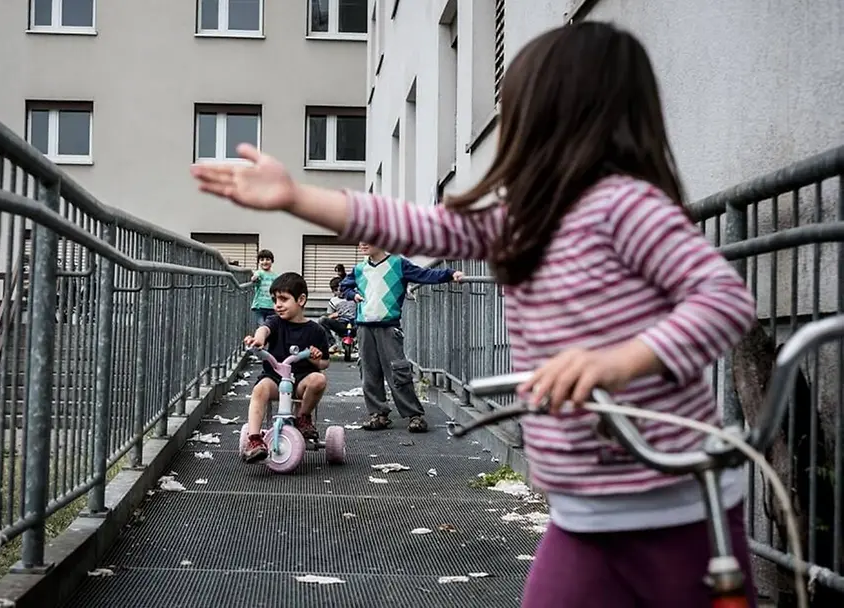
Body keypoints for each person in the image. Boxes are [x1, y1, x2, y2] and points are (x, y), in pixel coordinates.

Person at [192, 21, 759, 606]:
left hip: (673, 502)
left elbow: (725, 300)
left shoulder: (629, 208)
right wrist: (297, 197)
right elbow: (415, 225)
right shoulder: (522, 220)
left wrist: (620, 363)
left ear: (559, 117)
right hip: (581, 509)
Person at [339, 243, 463, 432]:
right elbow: (344, 286)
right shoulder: (359, 268)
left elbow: (425, 275)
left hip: (389, 326)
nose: (362, 243)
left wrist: (449, 274)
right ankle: (378, 413)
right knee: (368, 371)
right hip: (364, 326)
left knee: (398, 371)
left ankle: (414, 414)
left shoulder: (398, 263)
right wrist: (352, 295)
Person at [242, 272, 329, 463]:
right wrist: (259, 340)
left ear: (301, 300)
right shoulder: (275, 321)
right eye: (275, 300)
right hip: (275, 377)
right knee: (259, 390)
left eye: (283, 299)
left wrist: (316, 359)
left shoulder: (316, 330)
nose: (278, 305)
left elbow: (325, 363)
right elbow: (264, 329)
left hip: (300, 380)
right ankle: (254, 439)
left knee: (319, 379)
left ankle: (303, 417)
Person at [318, 276, 357, 351]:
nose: (339, 292)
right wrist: (333, 315)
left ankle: (359, 345)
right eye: (336, 290)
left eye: (341, 289)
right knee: (322, 320)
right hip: (342, 324)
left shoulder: (353, 296)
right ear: (333, 291)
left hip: (355, 323)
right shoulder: (333, 301)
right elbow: (328, 316)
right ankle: (332, 344)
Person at [250, 249, 277, 325]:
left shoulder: (275, 276)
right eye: (262, 260)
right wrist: (254, 278)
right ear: (259, 262)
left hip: (271, 306)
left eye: (268, 259)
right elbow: (256, 277)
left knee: (270, 326)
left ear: (272, 261)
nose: (265, 262)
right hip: (259, 306)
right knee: (261, 325)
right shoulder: (259, 273)